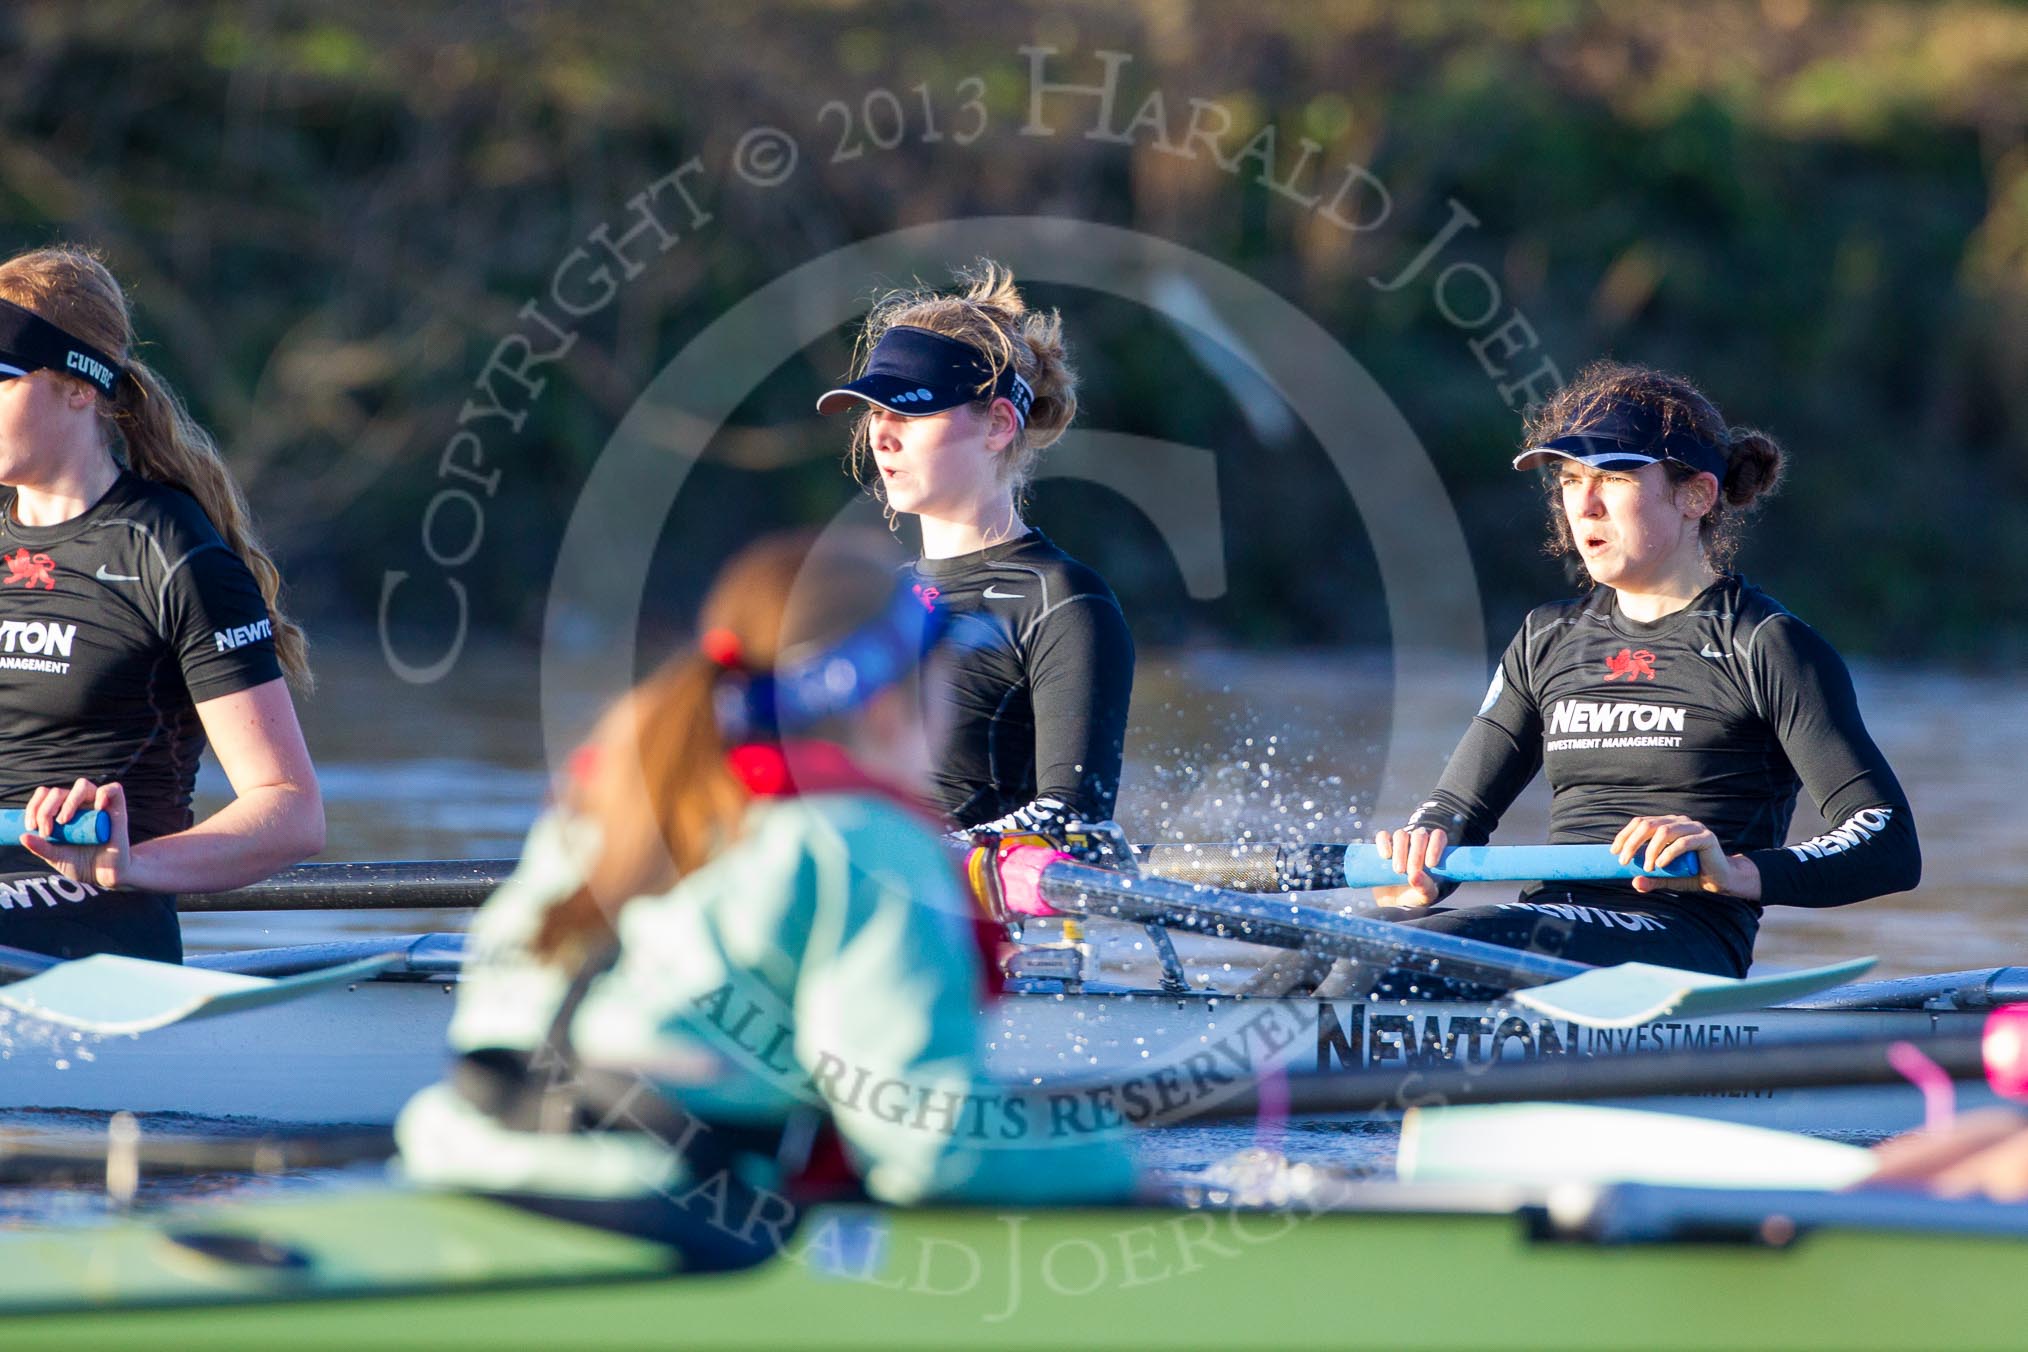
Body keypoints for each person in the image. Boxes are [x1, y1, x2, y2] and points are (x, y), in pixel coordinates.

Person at [396, 531, 1139, 1266]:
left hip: (462, 1163)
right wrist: (1115, 1157)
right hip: (656, 1215)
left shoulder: (608, 796)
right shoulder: (867, 842)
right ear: (890, 708)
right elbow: (930, 1146)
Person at [1370, 360, 1918, 979]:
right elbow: (1454, 811)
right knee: (1335, 957)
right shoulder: (1546, 639)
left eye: (1615, 475)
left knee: (1391, 960)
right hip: (1548, 931)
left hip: (1682, 942)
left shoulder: (1765, 644)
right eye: (1571, 478)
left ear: (1696, 495)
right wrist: (1421, 860)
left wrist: (1737, 870)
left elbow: (1887, 841)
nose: (1585, 504)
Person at [0, 246, 321, 962]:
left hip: (91, 961)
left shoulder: (172, 552)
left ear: (79, 387)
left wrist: (131, 865)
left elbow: (292, 812)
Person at [816, 260, 1133, 842]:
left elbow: (1074, 820)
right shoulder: (878, 602)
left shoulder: (1063, 601)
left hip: (995, 928)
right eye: (875, 411)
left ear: (997, 426)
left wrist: (920, 859)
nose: (880, 433)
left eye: (910, 410)